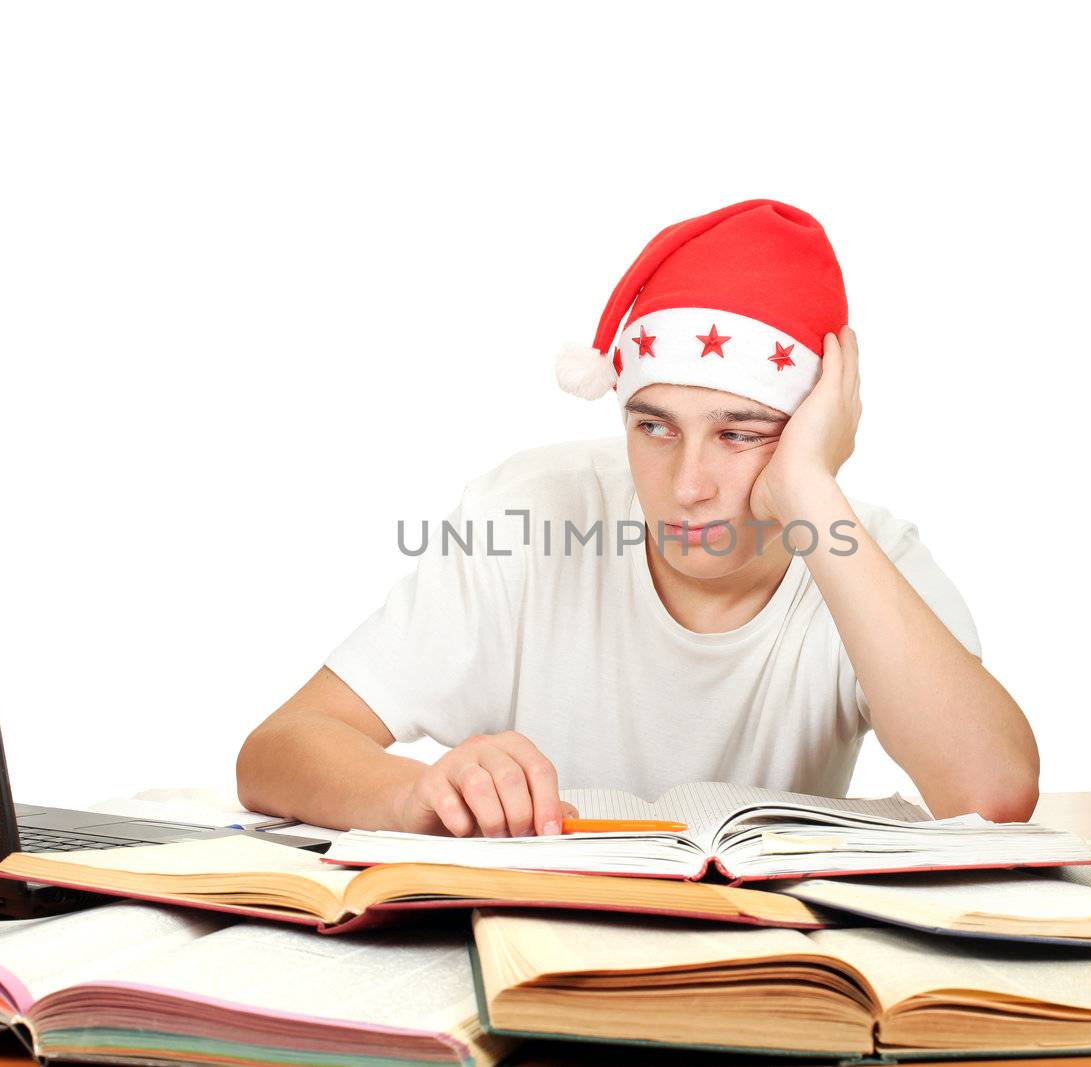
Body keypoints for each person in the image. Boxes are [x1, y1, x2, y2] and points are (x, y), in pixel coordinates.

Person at [236, 198, 1039, 838]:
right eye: (654, 427)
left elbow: (993, 793)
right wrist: (418, 793)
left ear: (810, 431)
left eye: (739, 434)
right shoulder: (530, 513)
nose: (687, 484)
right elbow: (277, 750)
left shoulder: (863, 555)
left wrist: (812, 493)